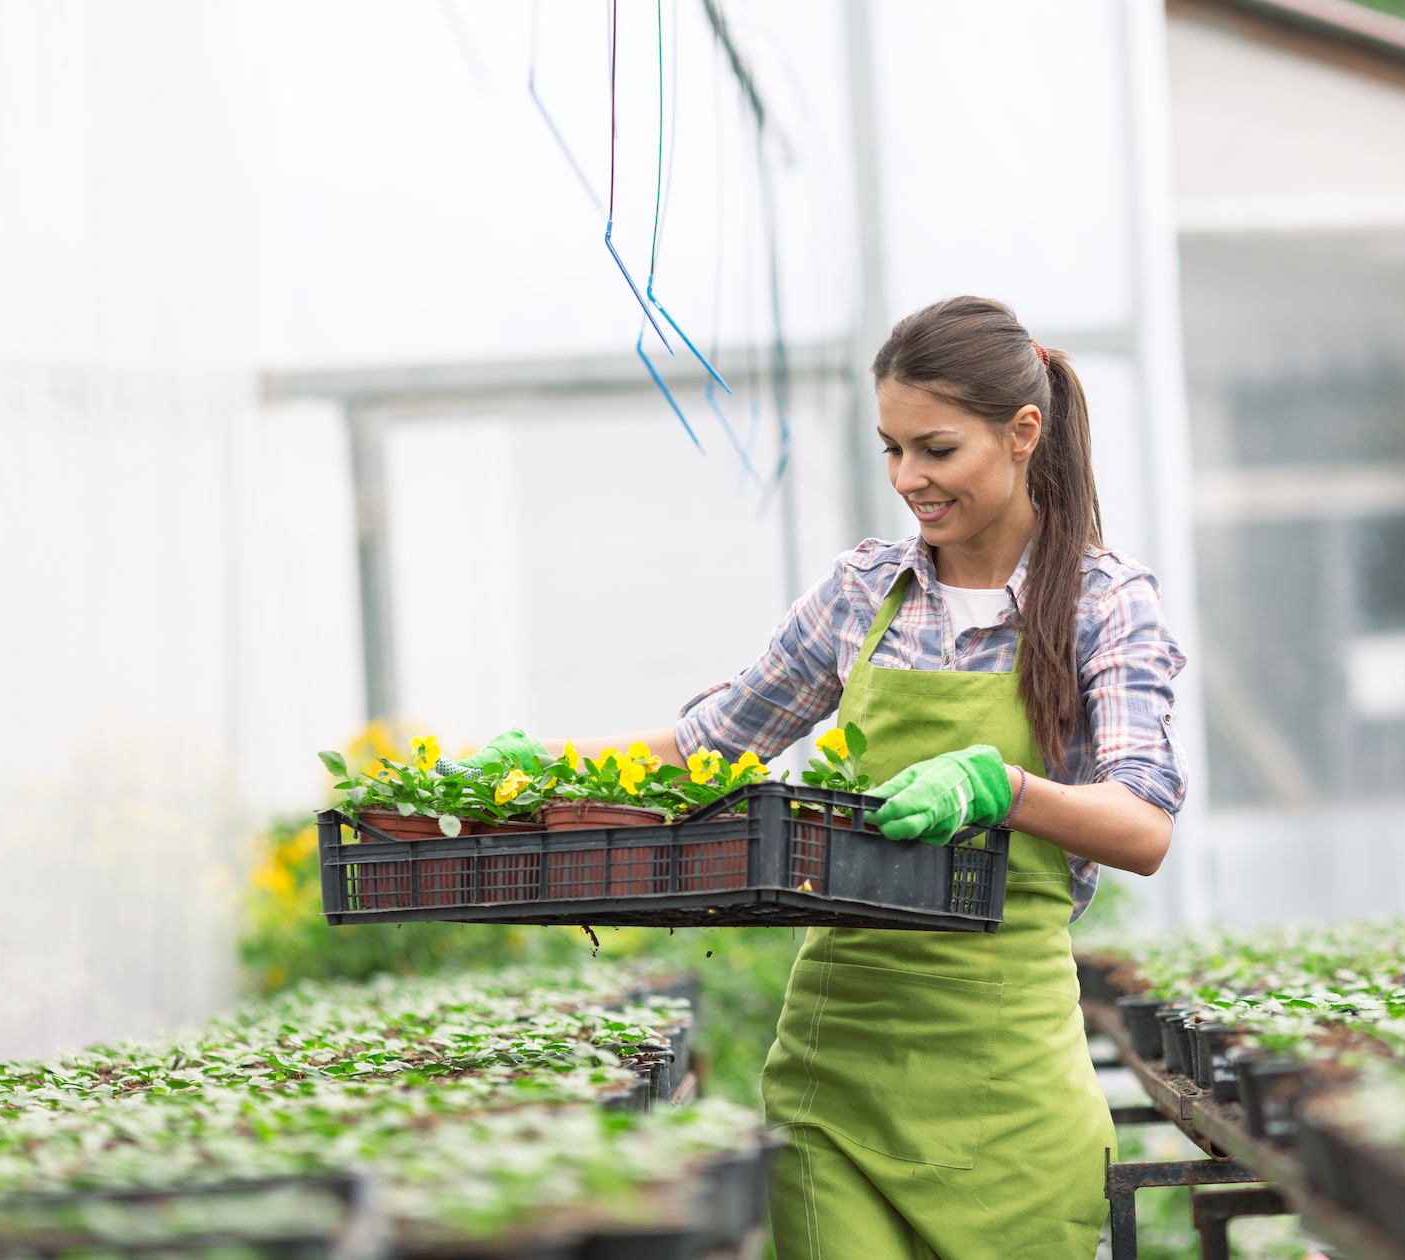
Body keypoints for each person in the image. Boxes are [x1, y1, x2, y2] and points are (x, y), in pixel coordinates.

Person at [469, 296, 1185, 1258]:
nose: (908, 480)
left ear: (1023, 434)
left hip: (1005, 1085)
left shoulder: (1103, 601)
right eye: (891, 449)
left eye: (936, 449)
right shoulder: (864, 592)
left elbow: (1142, 825)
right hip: (837, 1071)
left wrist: (1004, 790)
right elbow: (713, 746)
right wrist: (541, 773)